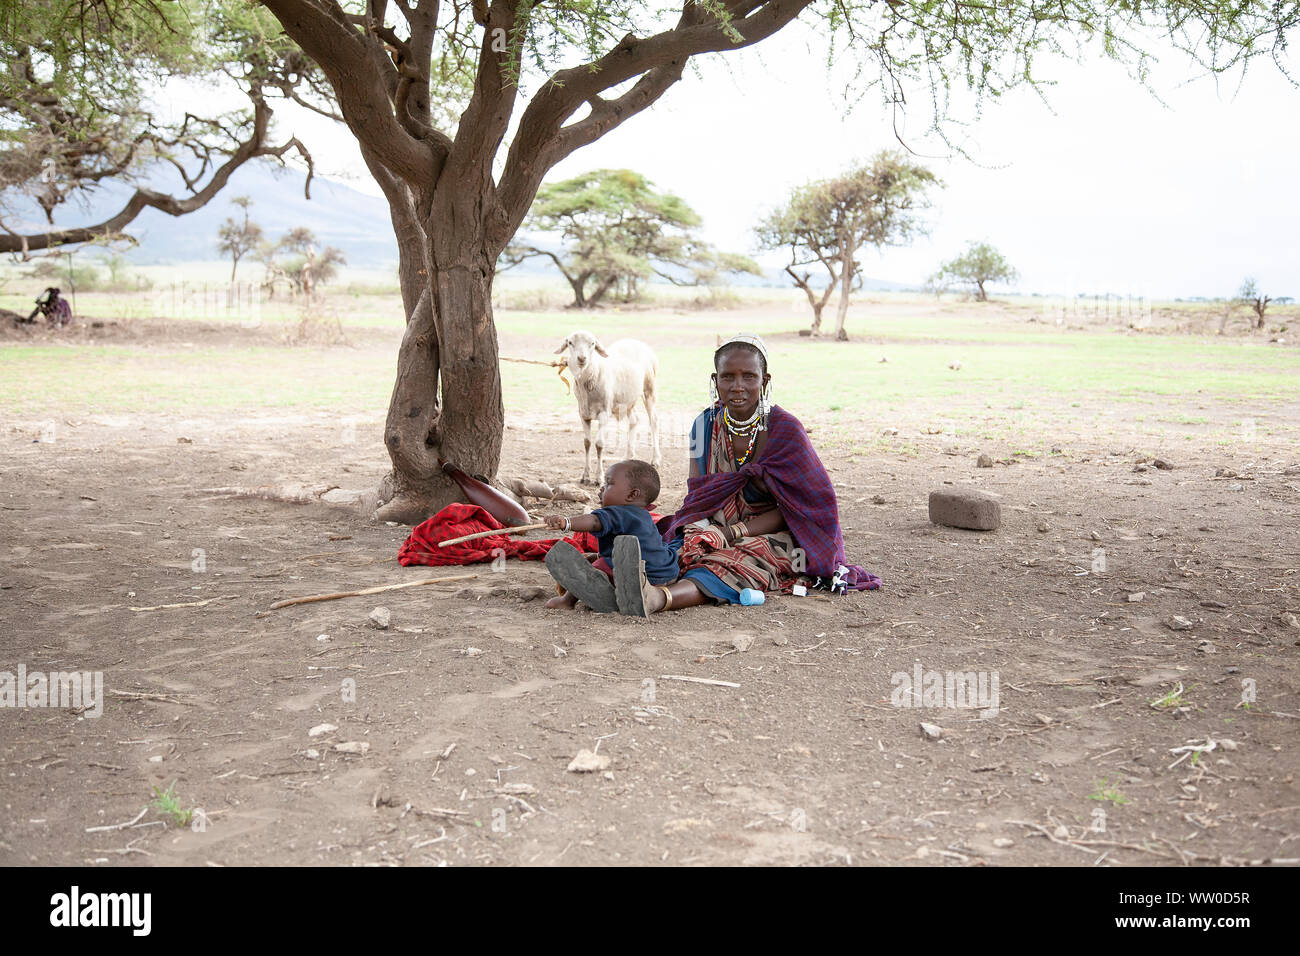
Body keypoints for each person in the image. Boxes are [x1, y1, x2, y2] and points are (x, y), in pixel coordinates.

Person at [646, 332, 879, 613]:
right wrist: (701, 529)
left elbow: (802, 508)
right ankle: (611, 581)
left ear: (765, 380)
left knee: (739, 559)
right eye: (727, 377)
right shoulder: (703, 426)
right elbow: (698, 497)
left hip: (785, 538)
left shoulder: (785, 431)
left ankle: (657, 599)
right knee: (674, 549)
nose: (737, 386)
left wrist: (732, 532)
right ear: (715, 380)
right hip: (717, 527)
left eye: (749, 377)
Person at [543, 459, 678, 617]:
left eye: (608, 484)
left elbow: (594, 522)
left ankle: (567, 601)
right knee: (600, 559)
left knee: (594, 568)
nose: (601, 488)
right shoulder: (643, 515)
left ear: (632, 494)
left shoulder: (618, 512)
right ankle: (632, 593)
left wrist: (566, 523)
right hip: (665, 573)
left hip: (640, 571)